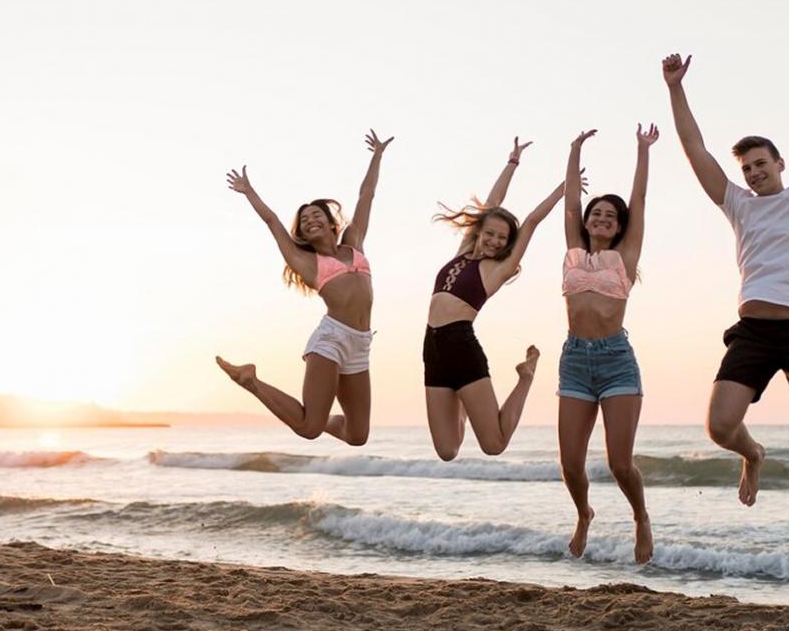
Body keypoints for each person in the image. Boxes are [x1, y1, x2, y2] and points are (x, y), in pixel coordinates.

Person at [662, 11, 789, 511]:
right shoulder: (738, 204)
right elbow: (694, 148)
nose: (752, 173)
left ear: (780, 163)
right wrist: (676, 89)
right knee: (720, 426)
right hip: (754, 331)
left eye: (760, 164)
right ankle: (753, 453)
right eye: (746, 168)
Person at [216, 130, 393, 445]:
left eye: (316, 215)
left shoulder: (354, 242)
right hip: (331, 340)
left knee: (357, 436)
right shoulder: (307, 262)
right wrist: (249, 191)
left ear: (331, 223)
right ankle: (250, 380)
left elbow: (367, 195)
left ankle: (319, 417)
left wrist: (377, 155)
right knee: (309, 428)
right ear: (302, 232)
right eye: (304, 219)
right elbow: (272, 221)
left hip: (361, 343)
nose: (310, 220)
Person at [425, 137, 568, 461]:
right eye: (490, 233)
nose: (494, 240)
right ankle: (465, 400)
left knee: (494, 445)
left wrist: (563, 189)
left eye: (502, 238)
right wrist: (512, 163)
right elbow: (493, 202)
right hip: (431, 348)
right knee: (447, 450)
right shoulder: (463, 251)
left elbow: (531, 221)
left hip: (462, 347)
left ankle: (526, 377)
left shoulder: (499, 269)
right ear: (479, 231)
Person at [557, 125, 658, 564]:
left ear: (619, 227)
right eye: (595, 213)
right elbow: (570, 202)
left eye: (609, 216)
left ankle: (640, 516)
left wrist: (642, 149)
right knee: (570, 464)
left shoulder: (625, 256)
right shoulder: (573, 252)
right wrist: (574, 150)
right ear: (587, 221)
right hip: (575, 361)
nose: (601, 218)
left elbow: (640, 200)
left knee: (619, 463)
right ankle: (584, 513)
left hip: (616, 361)